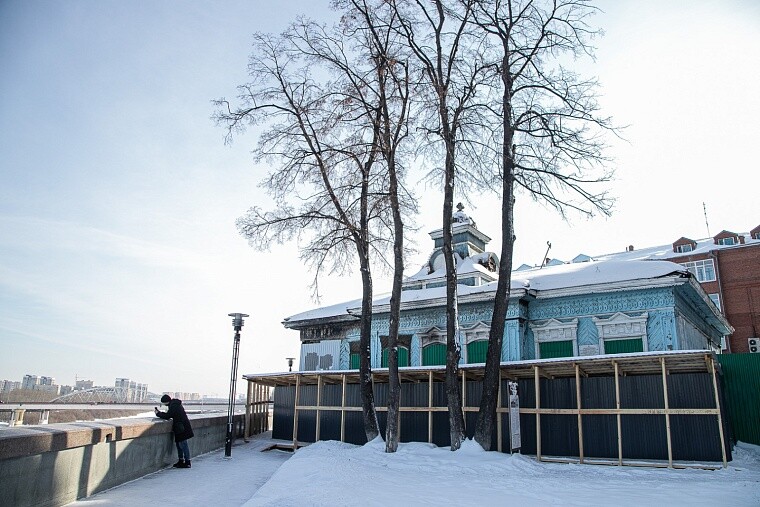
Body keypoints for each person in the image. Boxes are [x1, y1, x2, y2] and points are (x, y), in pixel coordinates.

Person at [155, 394, 194, 468]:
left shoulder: (174, 405)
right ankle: (181, 460)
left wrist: (158, 414)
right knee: (179, 444)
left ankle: (187, 462)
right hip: (180, 427)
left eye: (164, 403)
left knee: (183, 444)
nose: (164, 405)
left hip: (181, 428)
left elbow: (168, 415)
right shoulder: (174, 404)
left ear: (166, 401)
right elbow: (170, 414)